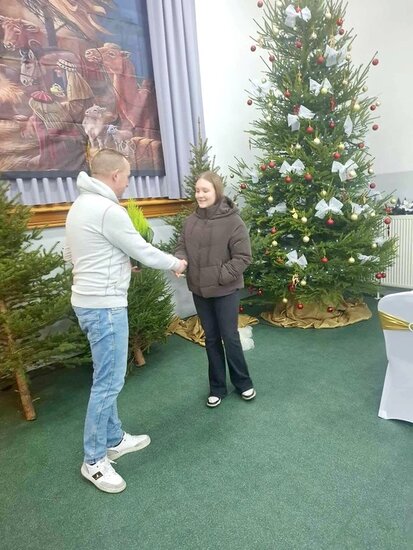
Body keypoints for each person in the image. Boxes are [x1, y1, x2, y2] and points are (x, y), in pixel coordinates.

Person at [64, 148, 187, 493]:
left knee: (106, 377)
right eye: (128, 177)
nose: (128, 183)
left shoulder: (79, 206)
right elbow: (141, 249)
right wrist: (176, 263)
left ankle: (114, 439)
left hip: (88, 302)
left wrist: (116, 266)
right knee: (108, 382)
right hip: (104, 308)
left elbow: (71, 254)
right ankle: (93, 461)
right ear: (115, 175)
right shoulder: (108, 210)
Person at [175, 171, 256, 408]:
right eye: (197, 190)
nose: (200, 195)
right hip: (199, 290)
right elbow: (181, 246)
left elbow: (243, 257)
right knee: (210, 339)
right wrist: (180, 260)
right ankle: (217, 387)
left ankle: (243, 382)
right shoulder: (190, 221)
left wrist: (221, 276)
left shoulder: (233, 221)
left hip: (225, 290)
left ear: (217, 191)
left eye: (205, 190)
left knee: (229, 337)